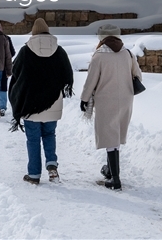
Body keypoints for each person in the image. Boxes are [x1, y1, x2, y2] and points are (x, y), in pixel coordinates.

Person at [9, 19, 74, 185]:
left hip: (30, 105)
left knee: (33, 139)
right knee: (49, 134)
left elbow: (15, 74)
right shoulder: (59, 51)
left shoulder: (25, 51)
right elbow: (67, 75)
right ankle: (52, 165)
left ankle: (34, 174)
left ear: (33, 33)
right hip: (52, 103)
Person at [80, 24, 142, 190]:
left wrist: (84, 99)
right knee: (115, 133)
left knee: (109, 134)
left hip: (106, 100)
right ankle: (109, 170)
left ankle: (115, 178)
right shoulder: (128, 53)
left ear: (102, 38)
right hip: (126, 99)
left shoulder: (98, 56)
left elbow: (91, 81)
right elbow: (138, 75)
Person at [0, 22, 16, 116]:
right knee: (3, 86)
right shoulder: (7, 38)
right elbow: (12, 52)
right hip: (3, 66)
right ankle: (2, 107)